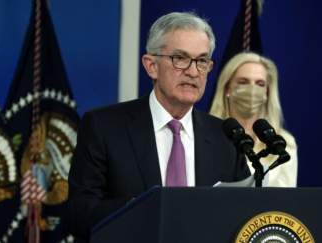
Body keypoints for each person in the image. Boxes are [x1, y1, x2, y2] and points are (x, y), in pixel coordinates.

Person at [68, 12, 250, 242]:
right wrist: (142, 209)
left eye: (202, 61)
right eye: (180, 58)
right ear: (151, 65)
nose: (193, 72)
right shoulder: (104, 127)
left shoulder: (226, 137)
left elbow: (244, 214)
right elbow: (79, 213)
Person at [209, 52, 298, 187]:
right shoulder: (206, 138)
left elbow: (289, 199)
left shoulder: (284, 144)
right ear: (227, 88)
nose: (252, 89)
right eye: (243, 82)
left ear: (267, 93)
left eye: (260, 83)